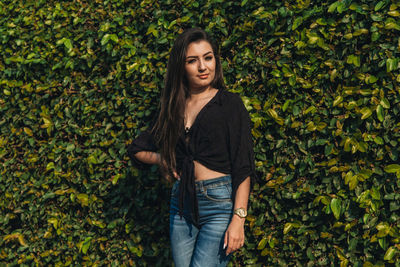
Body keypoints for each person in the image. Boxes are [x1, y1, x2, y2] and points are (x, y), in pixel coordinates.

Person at [127, 28, 255, 267]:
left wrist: (239, 218)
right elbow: (137, 149)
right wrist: (164, 160)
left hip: (219, 203)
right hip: (181, 205)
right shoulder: (173, 107)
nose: (203, 67)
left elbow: (243, 166)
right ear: (181, 67)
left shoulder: (229, 105)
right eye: (192, 61)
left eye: (208, 57)